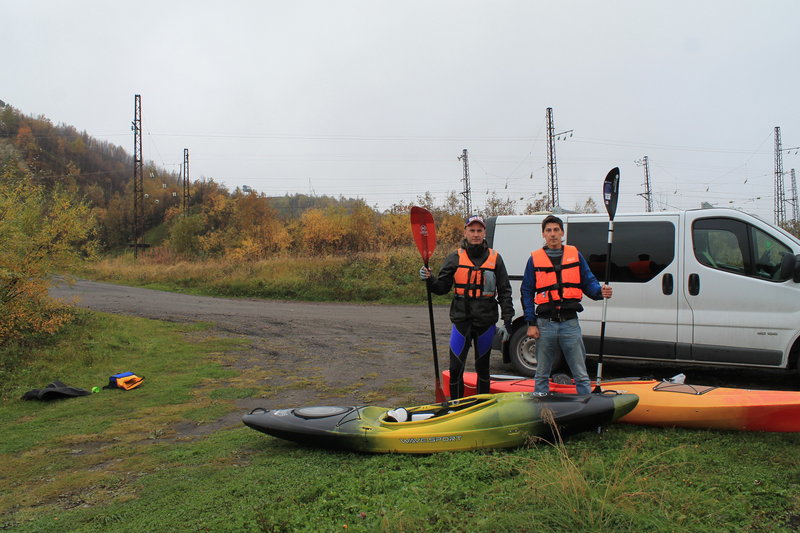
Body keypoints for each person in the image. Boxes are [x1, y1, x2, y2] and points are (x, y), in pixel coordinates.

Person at [419, 215, 514, 399]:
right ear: (465, 232)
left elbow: (504, 291)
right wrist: (429, 278)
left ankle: (482, 407)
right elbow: (441, 288)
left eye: (479, 231)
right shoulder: (455, 257)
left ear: (484, 233)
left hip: (486, 321)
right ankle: (456, 406)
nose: (476, 234)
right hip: (462, 320)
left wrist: (508, 318)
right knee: (455, 369)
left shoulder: (495, 259)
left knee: (483, 369)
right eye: (472, 230)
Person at [520, 215, 612, 395]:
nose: (553, 234)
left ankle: (586, 409)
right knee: (541, 373)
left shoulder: (575, 255)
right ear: (543, 235)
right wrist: (531, 323)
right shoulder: (534, 260)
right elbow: (527, 291)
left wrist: (600, 292)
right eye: (548, 231)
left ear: (562, 233)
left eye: (556, 230)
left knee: (580, 373)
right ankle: (542, 409)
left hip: (570, 322)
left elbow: (588, 281)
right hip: (545, 323)